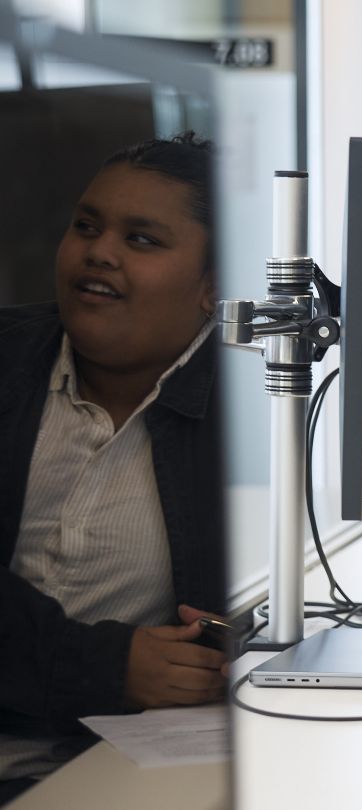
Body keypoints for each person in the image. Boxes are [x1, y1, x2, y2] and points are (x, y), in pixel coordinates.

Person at [0, 133, 228, 804]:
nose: (99, 251)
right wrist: (107, 666)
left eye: (143, 240)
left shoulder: (254, 414)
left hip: (119, 768)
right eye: (87, 226)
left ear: (214, 288)